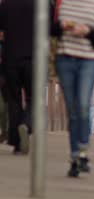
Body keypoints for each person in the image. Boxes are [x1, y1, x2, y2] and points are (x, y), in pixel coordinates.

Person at [51, 0, 94, 177]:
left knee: (83, 106)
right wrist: (61, 25)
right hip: (65, 58)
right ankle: (74, 157)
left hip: (88, 60)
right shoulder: (61, 1)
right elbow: (50, 29)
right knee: (73, 111)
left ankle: (83, 150)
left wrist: (87, 31)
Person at [0, 0, 34, 154]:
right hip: (32, 59)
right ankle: (26, 125)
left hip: (11, 58)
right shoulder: (39, 5)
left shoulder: (7, 4)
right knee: (33, 98)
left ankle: (16, 142)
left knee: (14, 99)